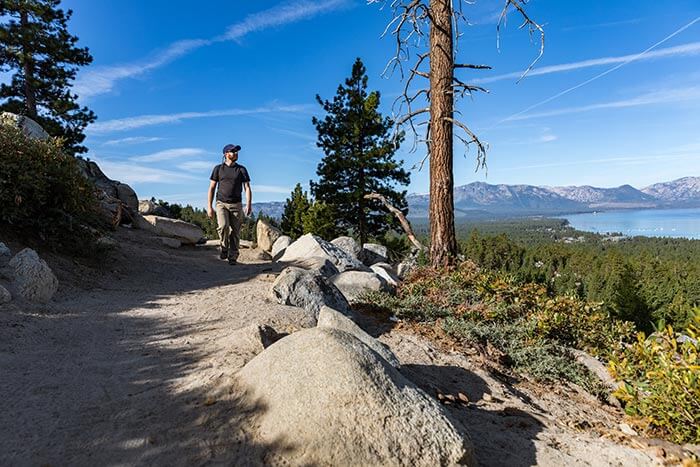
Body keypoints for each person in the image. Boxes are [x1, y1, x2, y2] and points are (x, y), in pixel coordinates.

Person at [207, 144, 252, 265]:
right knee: (223, 226)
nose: (236, 153)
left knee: (236, 232)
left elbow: (247, 187)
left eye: (237, 151)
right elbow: (211, 188)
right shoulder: (218, 169)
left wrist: (248, 204)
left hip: (236, 204)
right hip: (221, 203)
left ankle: (233, 256)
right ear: (226, 154)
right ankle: (224, 247)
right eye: (233, 151)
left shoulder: (242, 169)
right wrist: (209, 207)